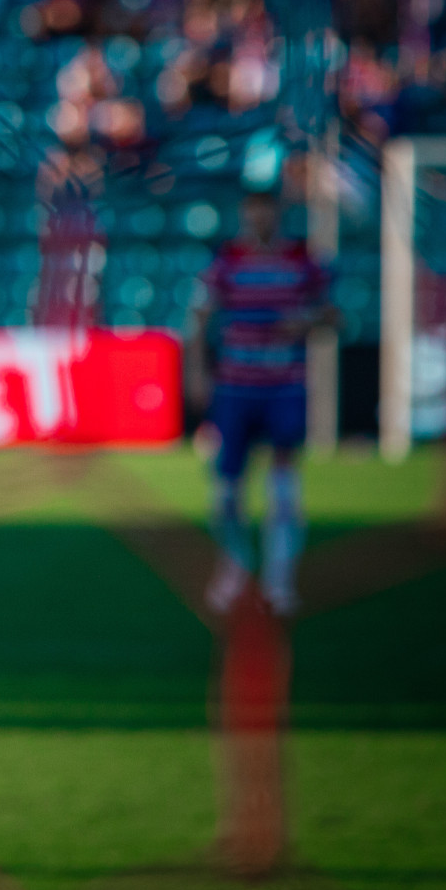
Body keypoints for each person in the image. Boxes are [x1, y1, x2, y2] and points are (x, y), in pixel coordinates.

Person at [186, 188, 335, 616]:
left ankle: (279, 579)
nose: (260, 220)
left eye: (267, 212)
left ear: (279, 214)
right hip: (235, 387)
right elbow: (200, 318)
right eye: (253, 213)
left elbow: (334, 315)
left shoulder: (303, 262)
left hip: (284, 384)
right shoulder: (227, 262)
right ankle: (234, 565)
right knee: (226, 492)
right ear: (245, 215)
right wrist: (197, 372)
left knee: (283, 485)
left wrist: (307, 320)